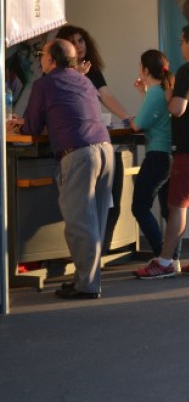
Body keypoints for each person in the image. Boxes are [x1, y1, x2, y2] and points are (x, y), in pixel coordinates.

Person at [8, 39, 113, 300]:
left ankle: (86, 286)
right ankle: (86, 280)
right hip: (105, 149)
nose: (40, 58)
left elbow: (32, 126)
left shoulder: (45, 84)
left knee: (80, 223)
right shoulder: (83, 81)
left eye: (42, 55)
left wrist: (17, 126)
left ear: (51, 60)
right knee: (95, 222)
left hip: (78, 154)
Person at [135, 23, 189, 278]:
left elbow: (178, 109)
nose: (180, 47)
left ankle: (164, 262)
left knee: (178, 206)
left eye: (181, 42)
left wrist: (166, 95)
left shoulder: (188, 70)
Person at [128, 50, 182, 267]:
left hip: (157, 156)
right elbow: (155, 115)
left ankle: (162, 255)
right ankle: (172, 257)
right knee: (169, 210)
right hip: (169, 155)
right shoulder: (164, 90)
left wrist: (130, 119)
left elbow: (138, 124)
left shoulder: (155, 93)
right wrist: (144, 92)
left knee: (139, 206)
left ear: (145, 70)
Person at [55, 24, 130, 124]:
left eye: (81, 41)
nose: (78, 46)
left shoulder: (91, 68)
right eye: (73, 43)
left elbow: (106, 95)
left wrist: (128, 118)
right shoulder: (57, 72)